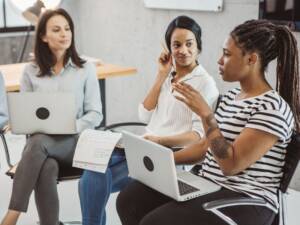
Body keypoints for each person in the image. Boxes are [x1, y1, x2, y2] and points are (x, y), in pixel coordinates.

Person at [116, 19, 300, 225]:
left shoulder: (272, 108)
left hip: (246, 198)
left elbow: (230, 165)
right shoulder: (232, 96)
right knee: (129, 200)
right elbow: (205, 147)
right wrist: (163, 161)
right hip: (208, 183)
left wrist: (206, 115)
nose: (220, 60)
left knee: (156, 222)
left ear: (251, 59)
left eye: (227, 54)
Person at [79, 15, 219, 225]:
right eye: (176, 45)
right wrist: (161, 76)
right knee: (93, 166)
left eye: (189, 44)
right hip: (143, 147)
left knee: (95, 177)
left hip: (169, 157)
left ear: (198, 46)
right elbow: (144, 115)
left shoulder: (205, 84)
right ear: (169, 48)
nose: (183, 50)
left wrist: (160, 141)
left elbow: (197, 137)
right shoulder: (168, 76)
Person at [0, 8, 102, 225]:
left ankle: (12, 215)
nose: (64, 34)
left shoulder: (85, 69)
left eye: (67, 29)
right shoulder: (30, 71)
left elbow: (95, 114)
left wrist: (69, 125)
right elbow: (25, 115)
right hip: (42, 149)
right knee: (46, 166)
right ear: (44, 37)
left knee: (37, 143)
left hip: (75, 144)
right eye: (56, 30)